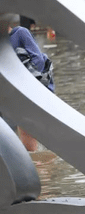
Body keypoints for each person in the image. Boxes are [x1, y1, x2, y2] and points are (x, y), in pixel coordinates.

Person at [6, 17, 55, 151]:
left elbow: (38, 60)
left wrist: (23, 81)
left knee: (29, 128)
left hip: (29, 89)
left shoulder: (20, 33)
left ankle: (42, 164)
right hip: (12, 94)